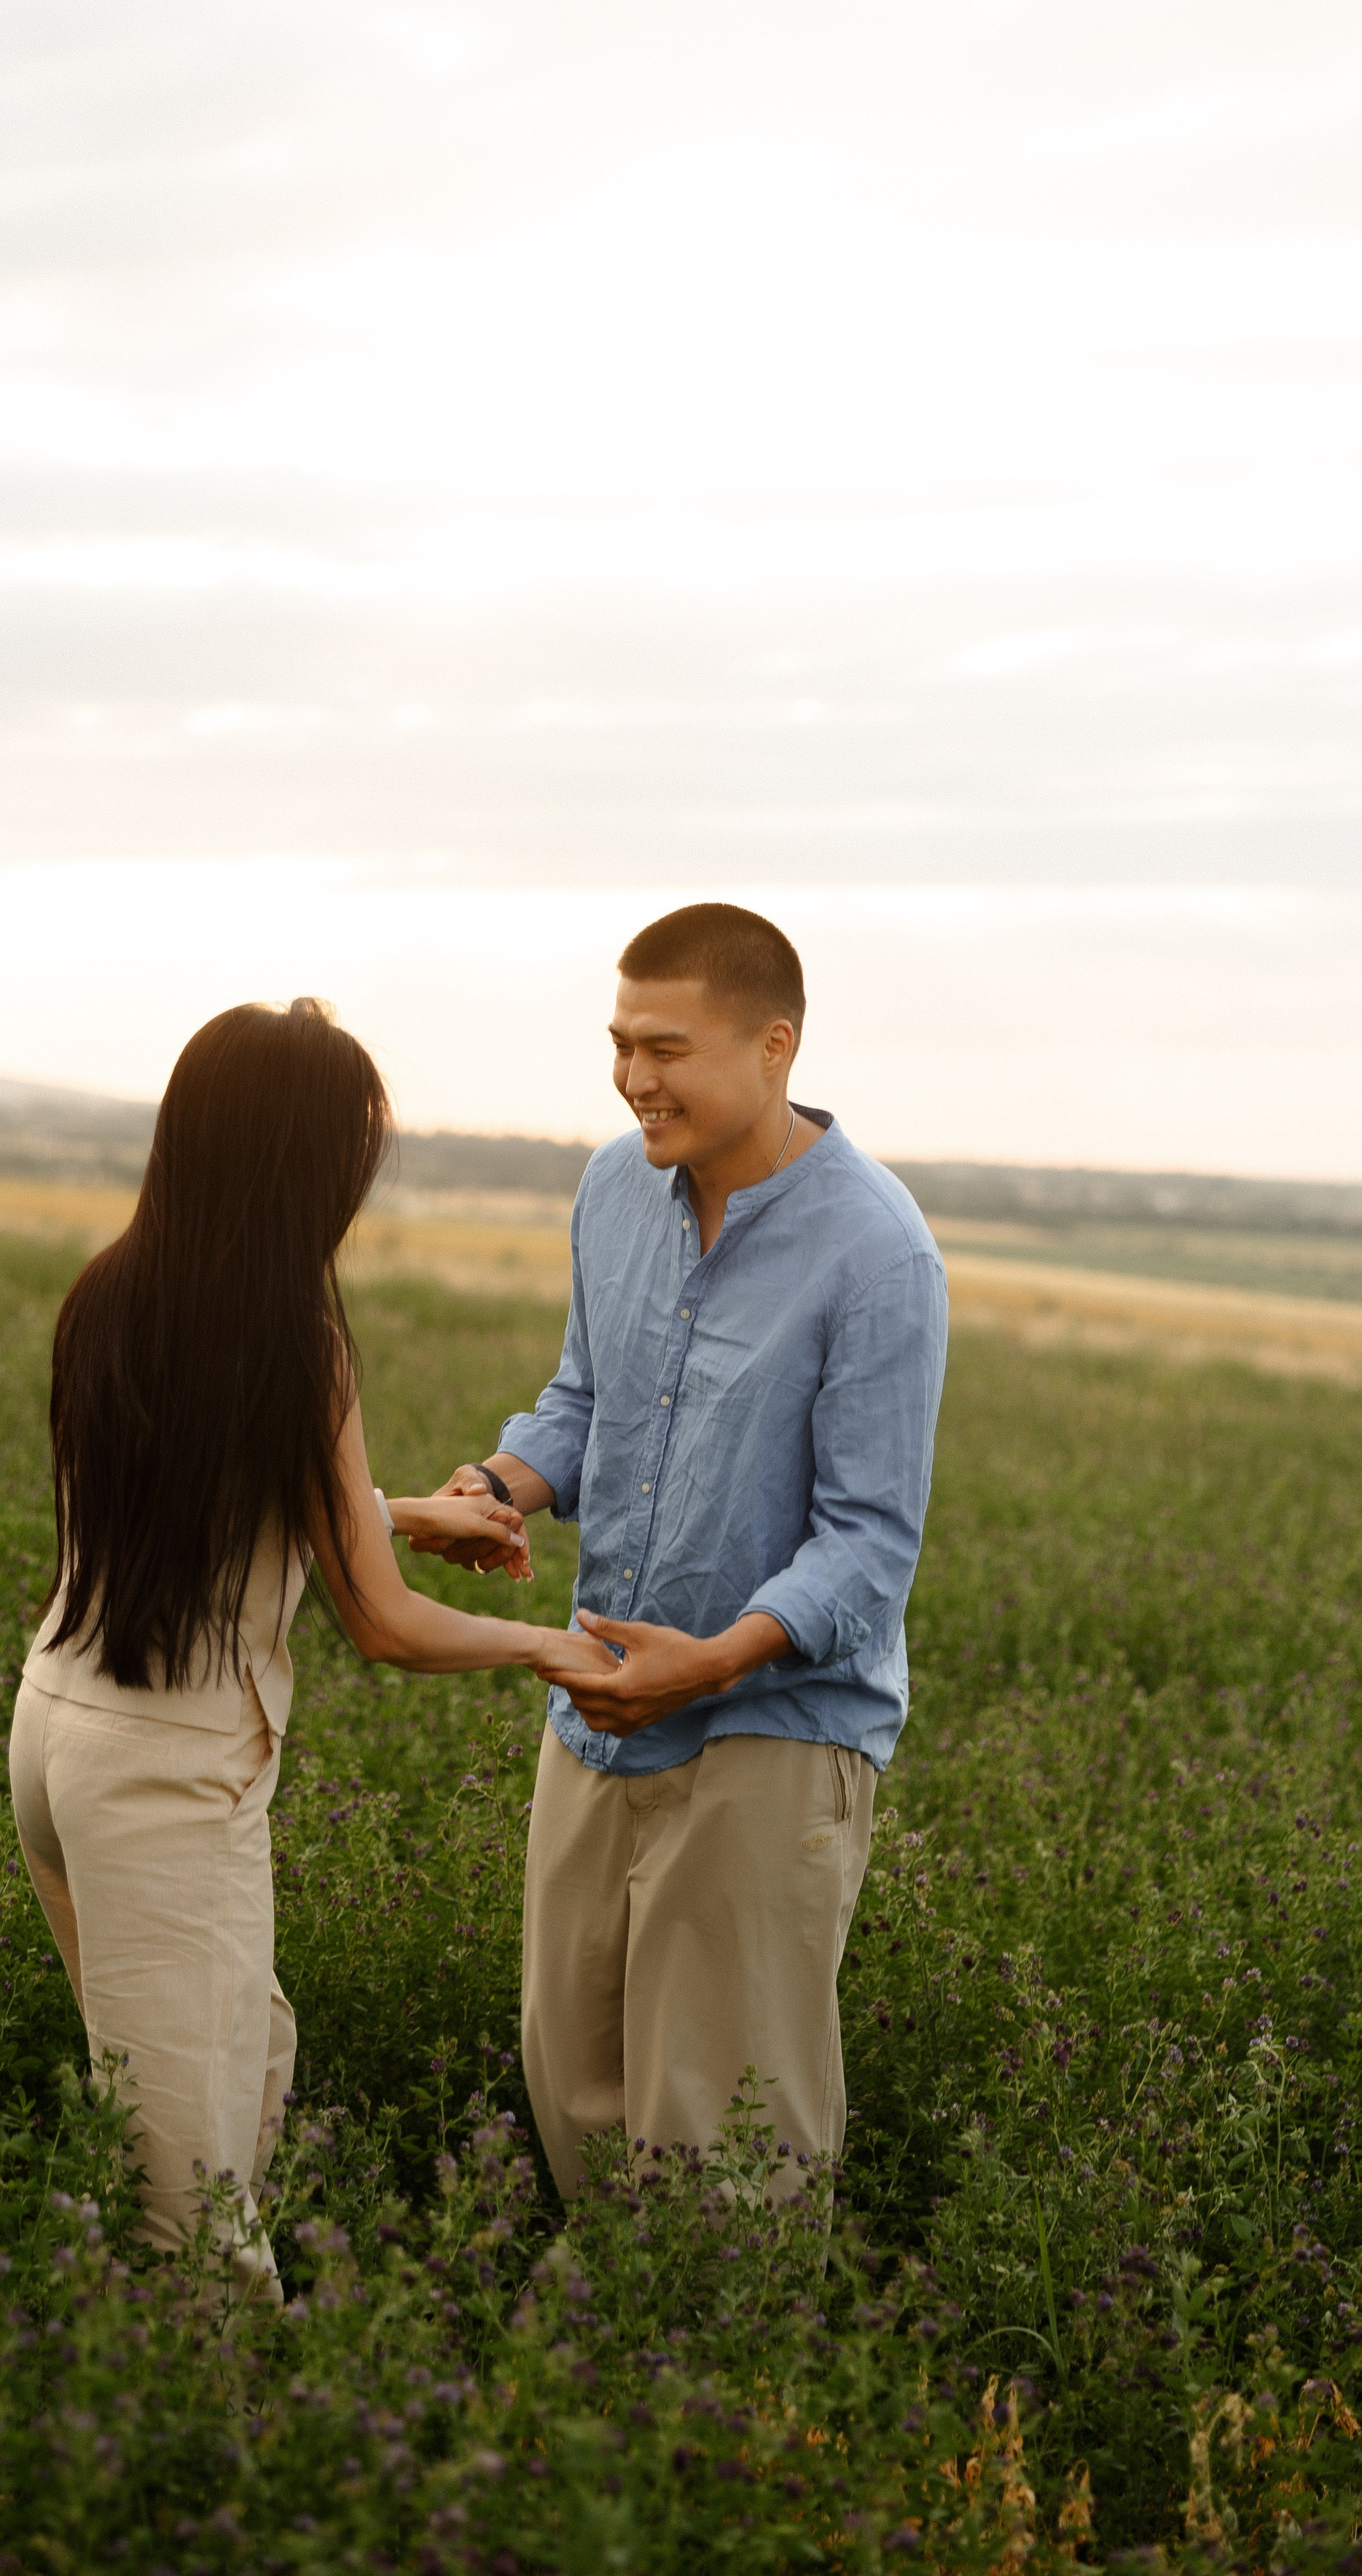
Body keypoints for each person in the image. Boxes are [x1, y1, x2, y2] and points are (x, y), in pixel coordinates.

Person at [7, 997, 611, 2295]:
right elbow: (384, 1625)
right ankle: (215, 2407)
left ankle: (171, 2371)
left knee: (250, 2058)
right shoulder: (295, 1341)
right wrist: (553, 1650)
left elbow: (205, 1508)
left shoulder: (112, 1293)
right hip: (164, 1778)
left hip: (56, 1732)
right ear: (306, 1167)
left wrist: (400, 1513)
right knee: (192, 2201)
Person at [413, 902, 949, 2202]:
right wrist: (497, 1487)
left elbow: (869, 1546)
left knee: (728, 2145)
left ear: (775, 1047)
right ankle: (609, 2341)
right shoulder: (613, 1186)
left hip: (770, 1731)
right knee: (573, 2093)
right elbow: (587, 1399)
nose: (633, 1077)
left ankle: (738, 2347)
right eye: (619, 1044)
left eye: (666, 1049)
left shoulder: (879, 1252)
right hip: (597, 1705)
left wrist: (708, 1663)